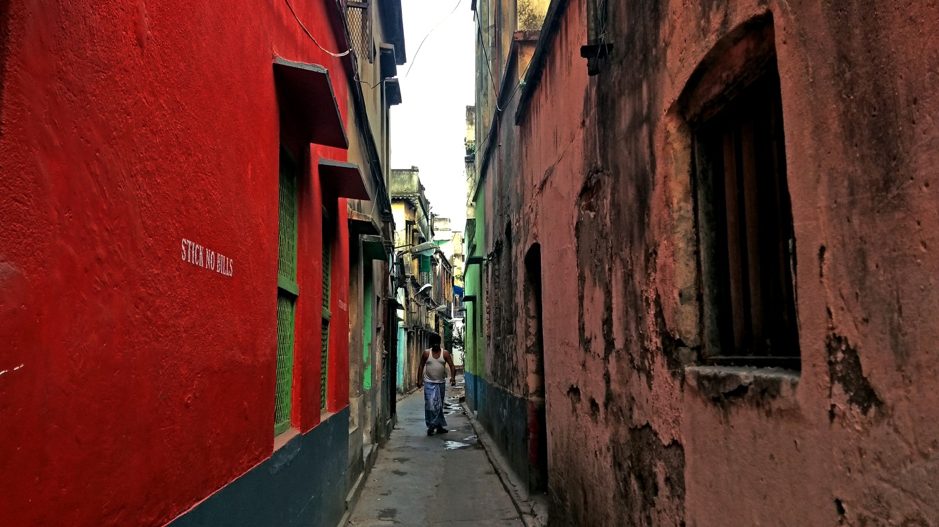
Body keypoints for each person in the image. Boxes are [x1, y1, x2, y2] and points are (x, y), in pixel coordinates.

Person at [417, 336, 456, 436]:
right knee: (429, 405)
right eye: (433, 343)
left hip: (440, 383)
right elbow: (421, 365)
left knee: (438, 406)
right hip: (429, 383)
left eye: (437, 343)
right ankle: (431, 425)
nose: (435, 345)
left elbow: (452, 365)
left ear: (439, 343)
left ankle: (438, 426)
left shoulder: (445, 353)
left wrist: (453, 378)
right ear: (430, 344)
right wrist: (419, 380)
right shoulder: (426, 353)